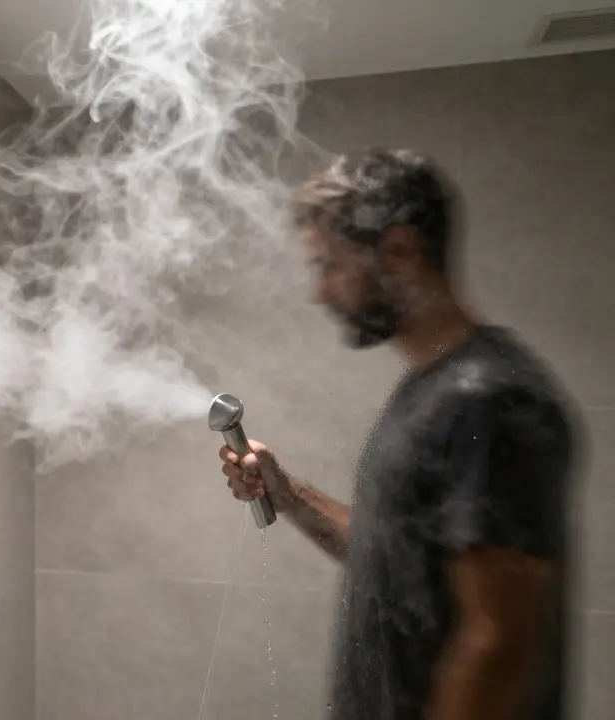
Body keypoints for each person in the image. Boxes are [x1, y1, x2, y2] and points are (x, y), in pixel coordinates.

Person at [220, 148, 576, 720]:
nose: (320, 292)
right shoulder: (432, 392)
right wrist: (288, 495)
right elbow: (396, 558)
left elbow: (499, 644)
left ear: (400, 250)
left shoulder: (487, 397)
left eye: (329, 265)